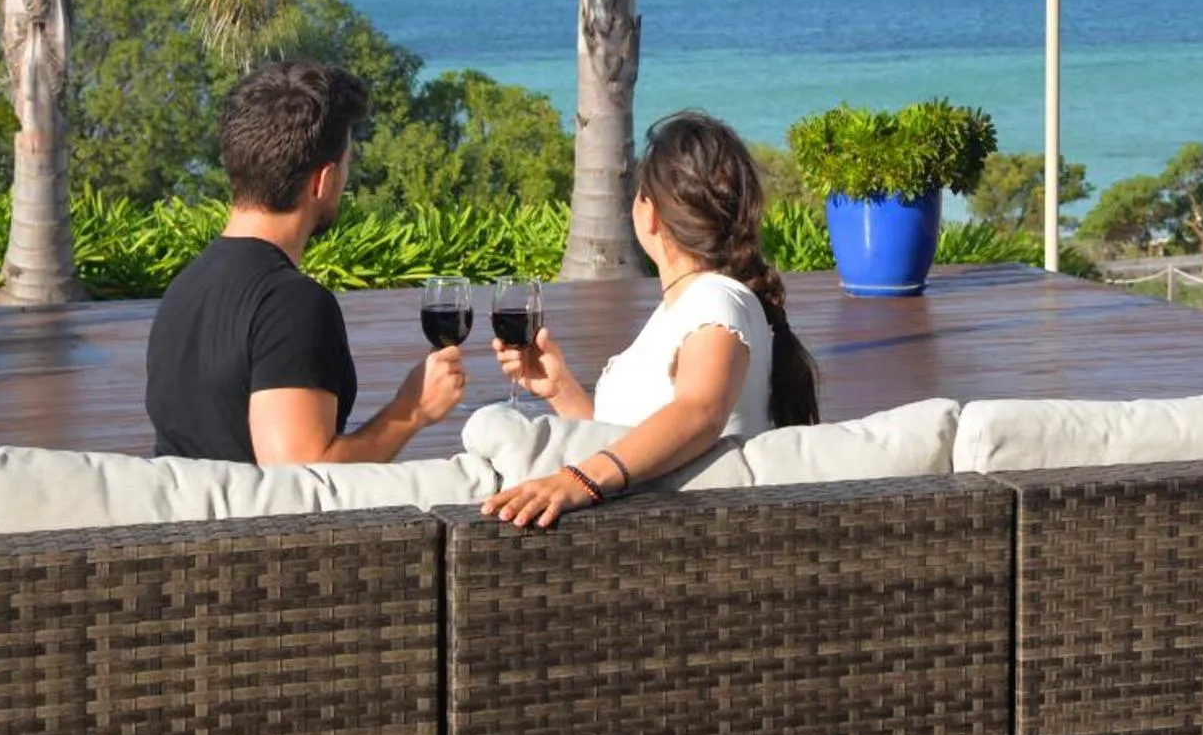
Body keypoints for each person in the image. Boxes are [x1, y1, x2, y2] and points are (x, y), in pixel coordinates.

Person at [482, 110, 818, 527]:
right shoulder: (695, 304)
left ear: (650, 212)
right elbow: (635, 444)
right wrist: (560, 389)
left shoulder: (716, 299)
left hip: (682, 539)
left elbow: (700, 413)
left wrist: (577, 481)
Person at [146, 59, 464, 463]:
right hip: (253, 527)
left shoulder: (184, 287)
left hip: (184, 522)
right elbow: (301, 475)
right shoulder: (291, 304)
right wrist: (411, 410)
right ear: (323, 180)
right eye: (347, 166)